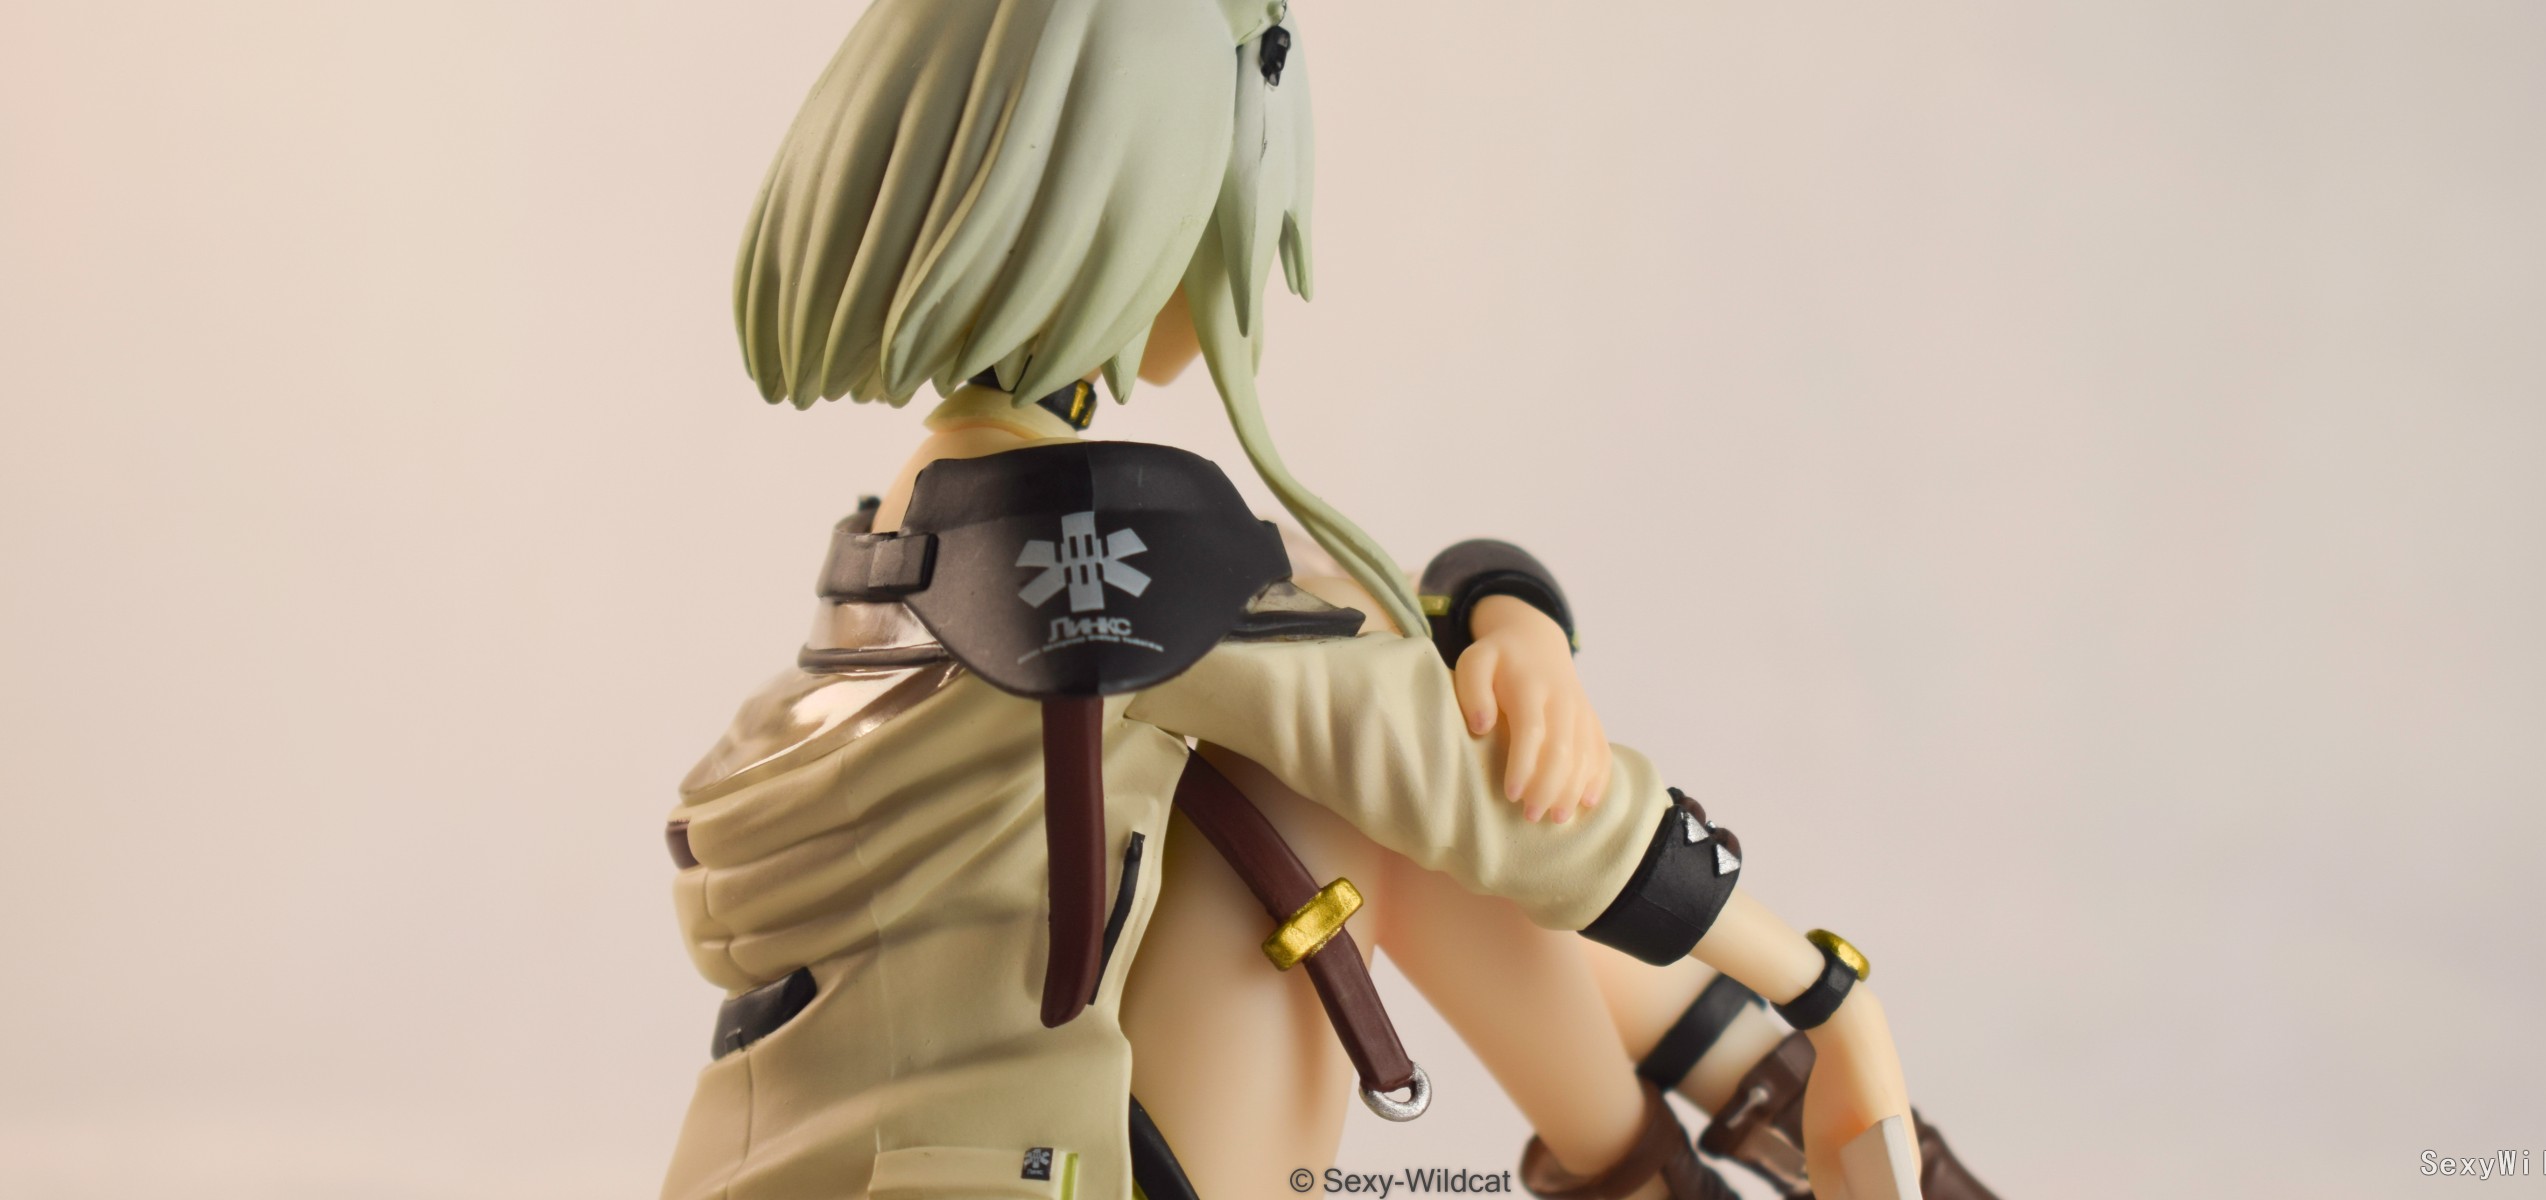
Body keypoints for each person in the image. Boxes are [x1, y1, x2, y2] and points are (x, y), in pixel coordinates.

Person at [660, 2, 1927, 1198]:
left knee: (1365, 766)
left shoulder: (932, 518)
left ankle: (1708, 1131)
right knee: (1367, 795)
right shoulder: (1076, 532)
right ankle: (1728, 1128)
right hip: (1016, 1169)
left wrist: (1510, 617)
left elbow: (1341, 626)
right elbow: (1406, 734)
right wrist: (1829, 997)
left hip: (865, 1154)